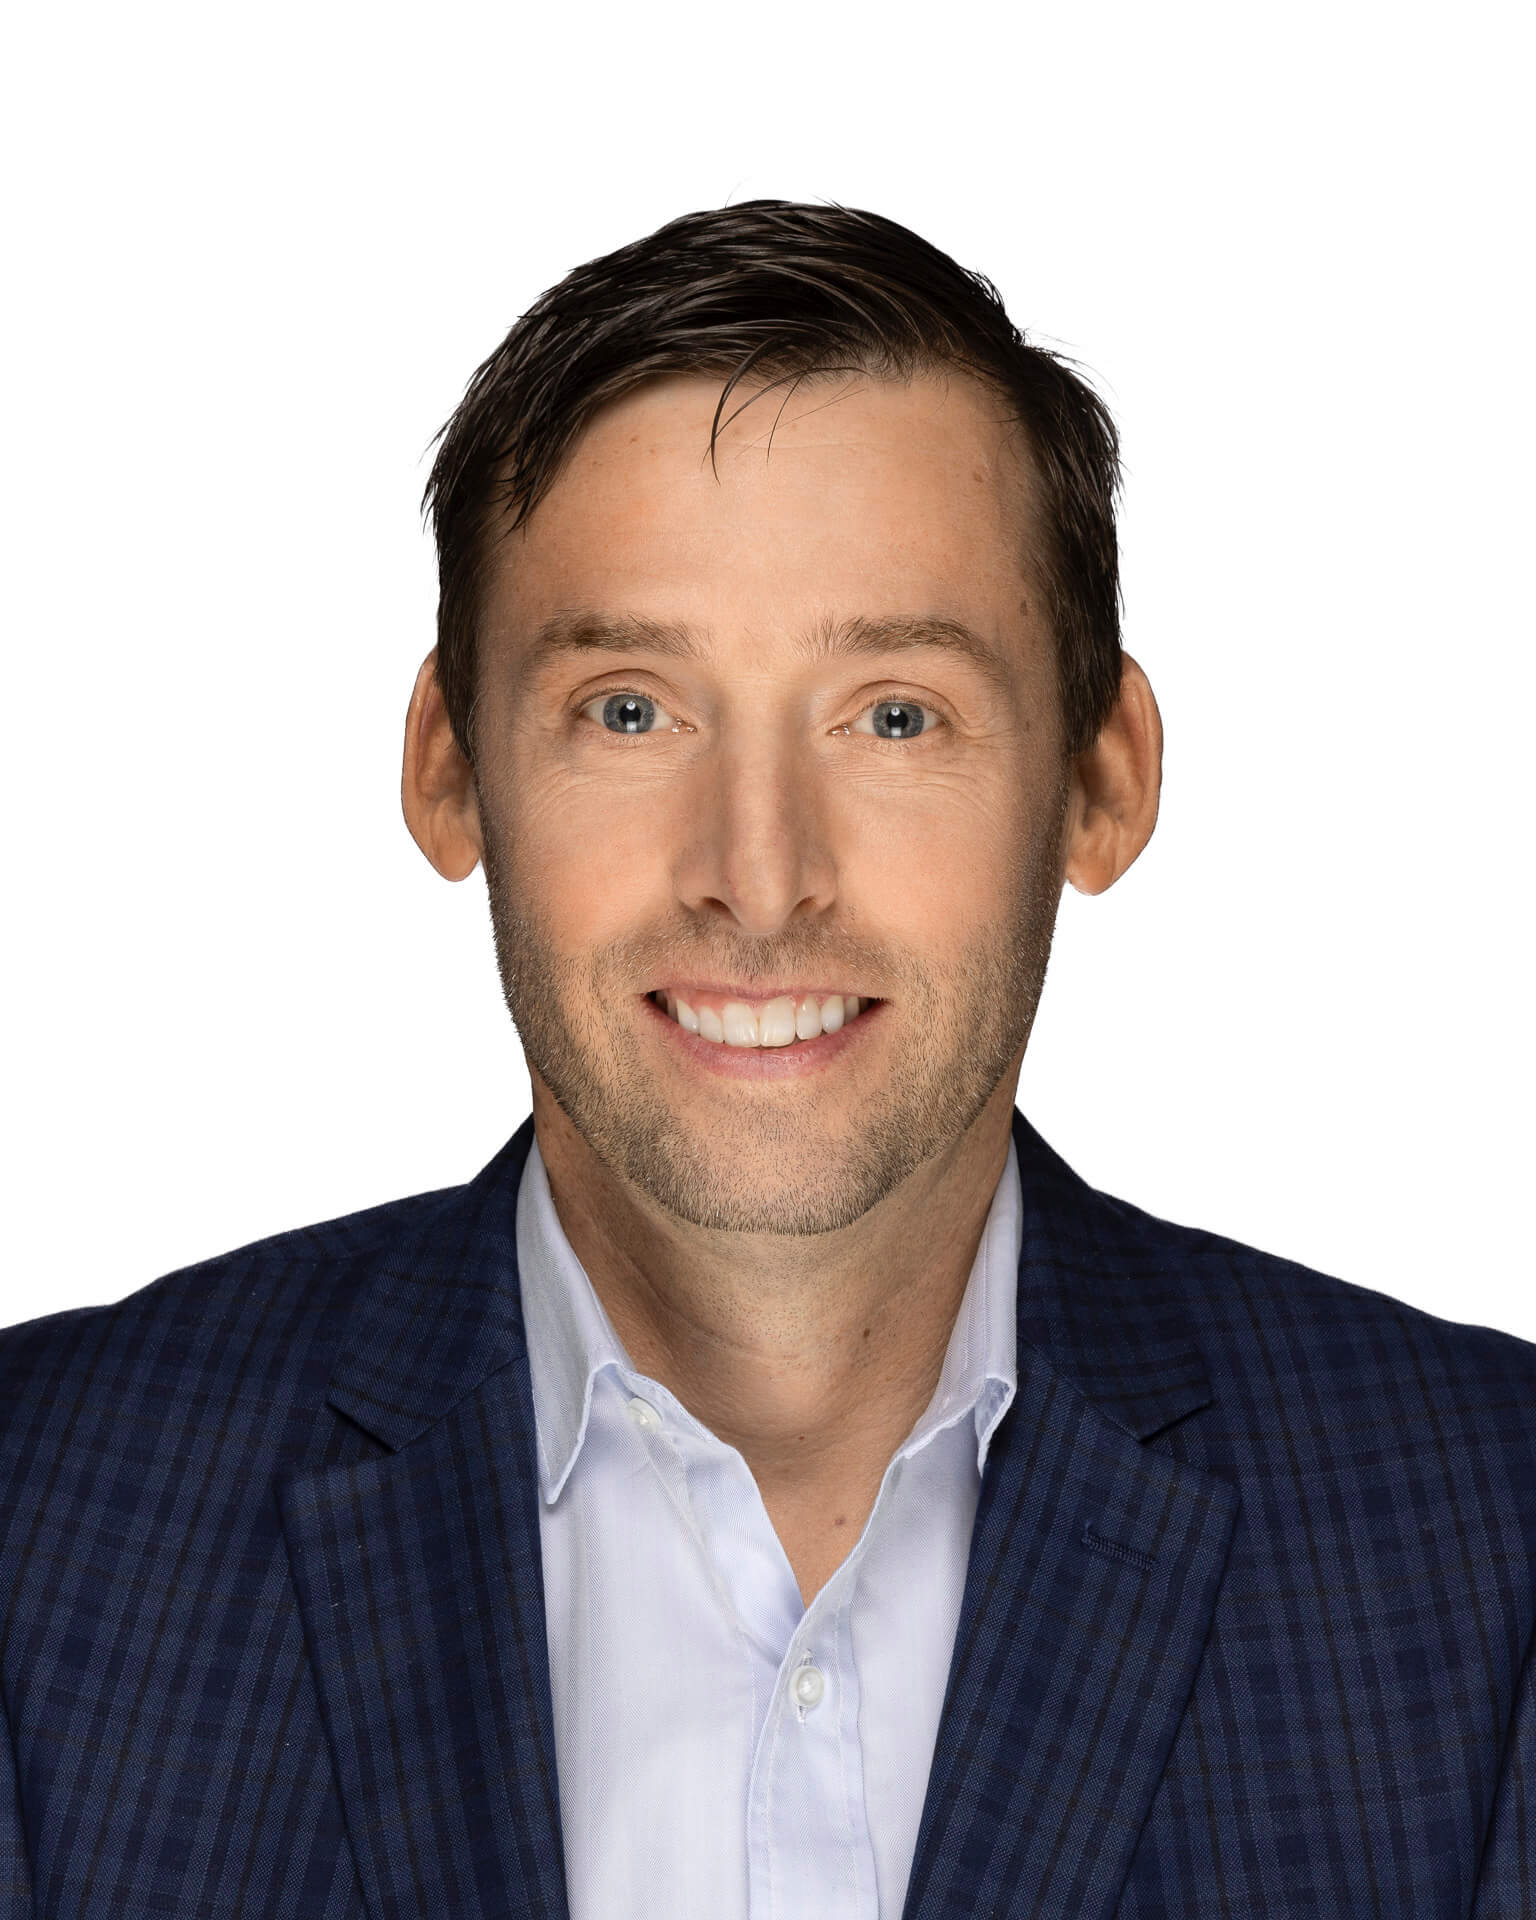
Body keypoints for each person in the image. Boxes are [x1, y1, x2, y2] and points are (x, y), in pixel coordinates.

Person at [1, 200, 1531, 1920]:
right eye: (630, 708)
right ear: (448, 769)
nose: (759, 873)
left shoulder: (1492, 1543)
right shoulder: (39, 1528)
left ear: (1103, 781)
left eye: (895, 715)